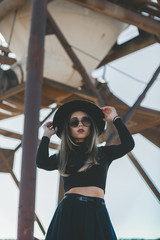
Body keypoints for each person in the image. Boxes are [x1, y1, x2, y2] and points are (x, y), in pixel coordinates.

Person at [36, 99, 135, 240]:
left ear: (91, 126)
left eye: (85, 121)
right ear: (68, 128)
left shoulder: (103, 153)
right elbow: (42, 162)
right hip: (70, 210)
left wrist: (114, 118)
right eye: (74, 122)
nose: (80, 124)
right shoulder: (63, 156)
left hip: (97, 211)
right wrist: (46, 135)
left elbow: (128, 145)